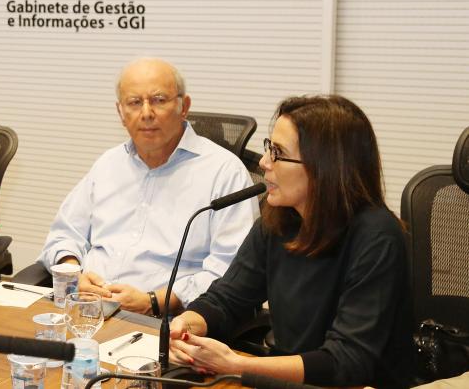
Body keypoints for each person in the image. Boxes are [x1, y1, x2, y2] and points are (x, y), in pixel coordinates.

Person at [169, 95, 413, 388]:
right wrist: (188, 324)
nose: (263, 162)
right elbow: (227, 299)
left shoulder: (378, 237)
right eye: (268, 147)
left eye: (278, 153)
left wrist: (238, 365)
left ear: (325, 167)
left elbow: (347, 361)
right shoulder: (278, 220)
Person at [38, 58, 258, 316]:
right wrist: (74, 272)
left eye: (158, 100)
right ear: (121, 113)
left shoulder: (224, 173)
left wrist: (155, 301)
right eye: (134, 103)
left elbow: (230, 272)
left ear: (183, 106)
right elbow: (64, 235)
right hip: (86, 308)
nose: (146, 113)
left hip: (168, 322)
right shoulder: (108, 163)